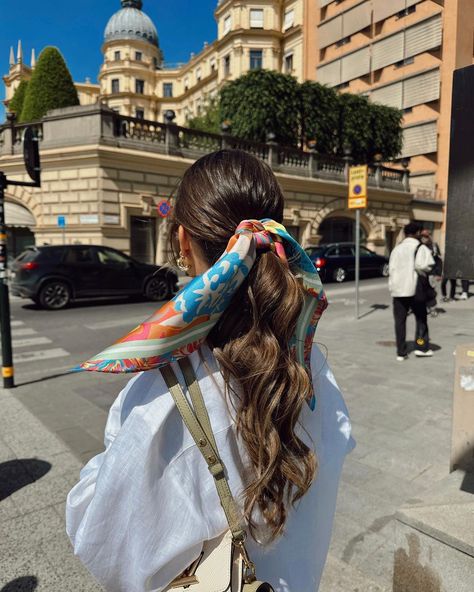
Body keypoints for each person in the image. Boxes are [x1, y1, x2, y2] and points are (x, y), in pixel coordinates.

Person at [65, 150, 354, 592]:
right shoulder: (310, 361)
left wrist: (97, 472)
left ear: (183, 241)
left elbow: (104, 542)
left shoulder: (167, 393)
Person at [388, 222, 435, 361]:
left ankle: (401, 352)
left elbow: (391, 269)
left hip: (398, 290)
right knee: (421, 320)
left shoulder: (397, 249)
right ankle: (421, 347)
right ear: (418, 233)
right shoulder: (421, 248)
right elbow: (425, 266)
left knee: (399, 321)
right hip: (416, 290)